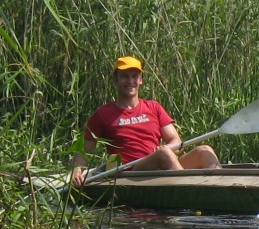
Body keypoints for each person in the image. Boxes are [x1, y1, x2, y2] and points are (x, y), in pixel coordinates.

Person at [70, 56, 220, 185]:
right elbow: (83, 150)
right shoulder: (103, 114)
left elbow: (176, 141)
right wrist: (77, 170)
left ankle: (221, 190)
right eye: (124, 76)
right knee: (164, 154)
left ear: (140, 80)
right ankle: (189, 191)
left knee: (205, 151)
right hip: (132, 172)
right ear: (115, 80)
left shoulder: (153, 107)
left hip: (162, 164)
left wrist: (166, 148)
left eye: (134, 76)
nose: (130, 81)